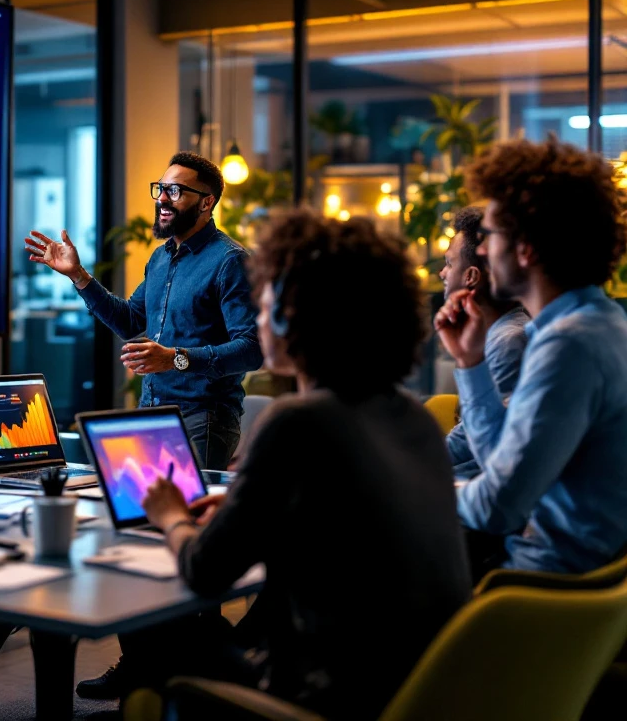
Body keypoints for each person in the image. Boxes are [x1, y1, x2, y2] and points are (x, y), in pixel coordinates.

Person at [130, 210, 470, 719]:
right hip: (417, 687)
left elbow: (204, 573)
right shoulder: (415, 419)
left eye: (265, 306)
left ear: (291, 317)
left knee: (162, 637)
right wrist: (249, 503)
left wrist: (170, 514)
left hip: (327, 697)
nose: (260, 322)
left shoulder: (298, 420)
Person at [435, 138, 627, 575]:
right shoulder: (600, 323)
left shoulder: (569, 346)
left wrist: (410, 488)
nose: (482, 251)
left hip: (537, 587)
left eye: (492, 235)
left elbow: (496, 509)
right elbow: (501, 461)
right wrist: (470, 364)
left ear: (526, 248)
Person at [26, 151, 262, 469]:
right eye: (160, 188)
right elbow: (129, 321)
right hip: (152, 414)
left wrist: (175, 357)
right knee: (143, 514)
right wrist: (78, 276)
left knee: (188, 516)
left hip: (202, 420)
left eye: (175, 191)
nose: (163, 198)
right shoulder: (161, 257)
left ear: (206, 202)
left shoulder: (229, 261)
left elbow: (251, 350)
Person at [437, 205, 529, 479]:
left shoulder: (509, 341)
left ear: (471, 277)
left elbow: (480, 444)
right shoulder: (499, 335)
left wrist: (411, 466)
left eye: (450, 263)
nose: (442, 273)